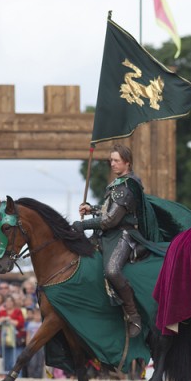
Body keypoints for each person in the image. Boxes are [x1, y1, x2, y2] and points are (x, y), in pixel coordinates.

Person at [72, 144, 149, 338]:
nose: (112, 164)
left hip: (123, 235)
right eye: (111, 160)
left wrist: (84, 224)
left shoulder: (128, 186)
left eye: (116, 160)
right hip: (108, 235)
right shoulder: (117, 183)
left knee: (112, 270)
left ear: (127, 162)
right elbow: (109, 210)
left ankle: (134, 316)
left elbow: (110, 220)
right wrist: (92, 209)